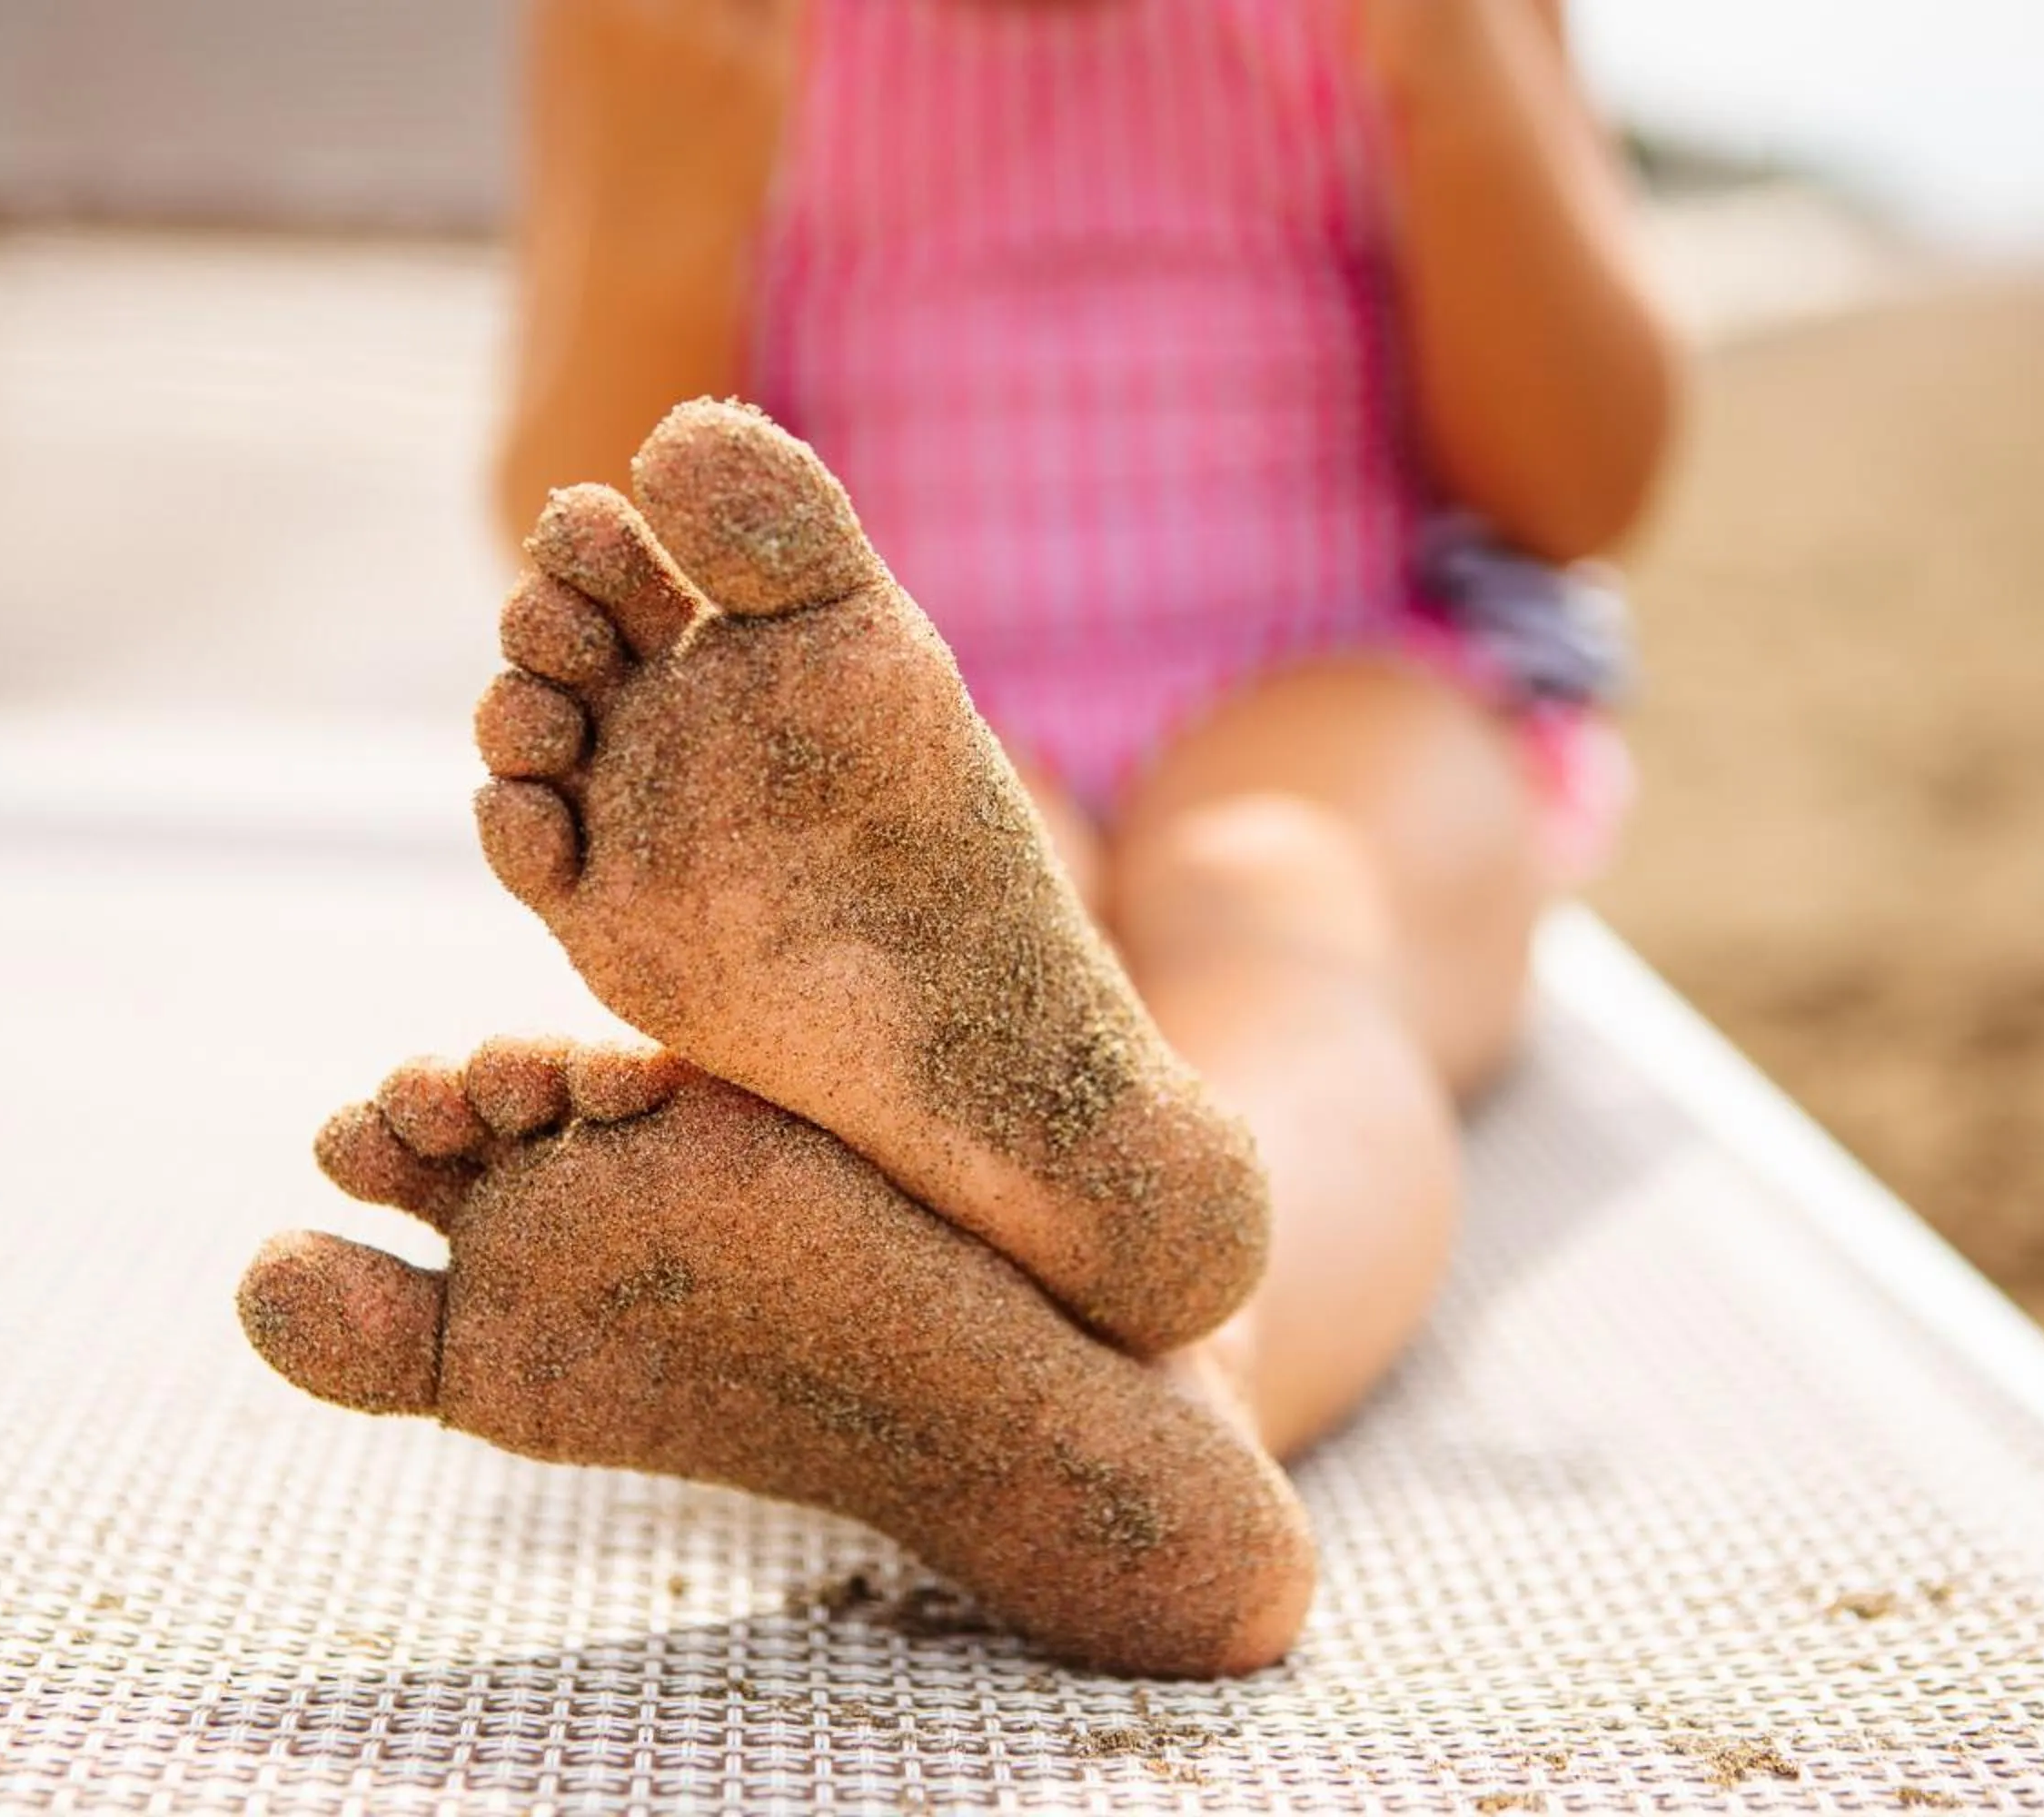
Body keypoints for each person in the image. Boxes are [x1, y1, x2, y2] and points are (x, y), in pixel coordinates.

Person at [238, 0, 1678, 1678]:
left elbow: (1578, 483)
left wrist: (1454, 50)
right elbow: (592, 523)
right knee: (1007, 915)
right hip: (896, 741)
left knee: (1277, 895)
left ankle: (1187, 1402)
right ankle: (1129, 1380)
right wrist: (684, 120)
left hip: (1340, 674)